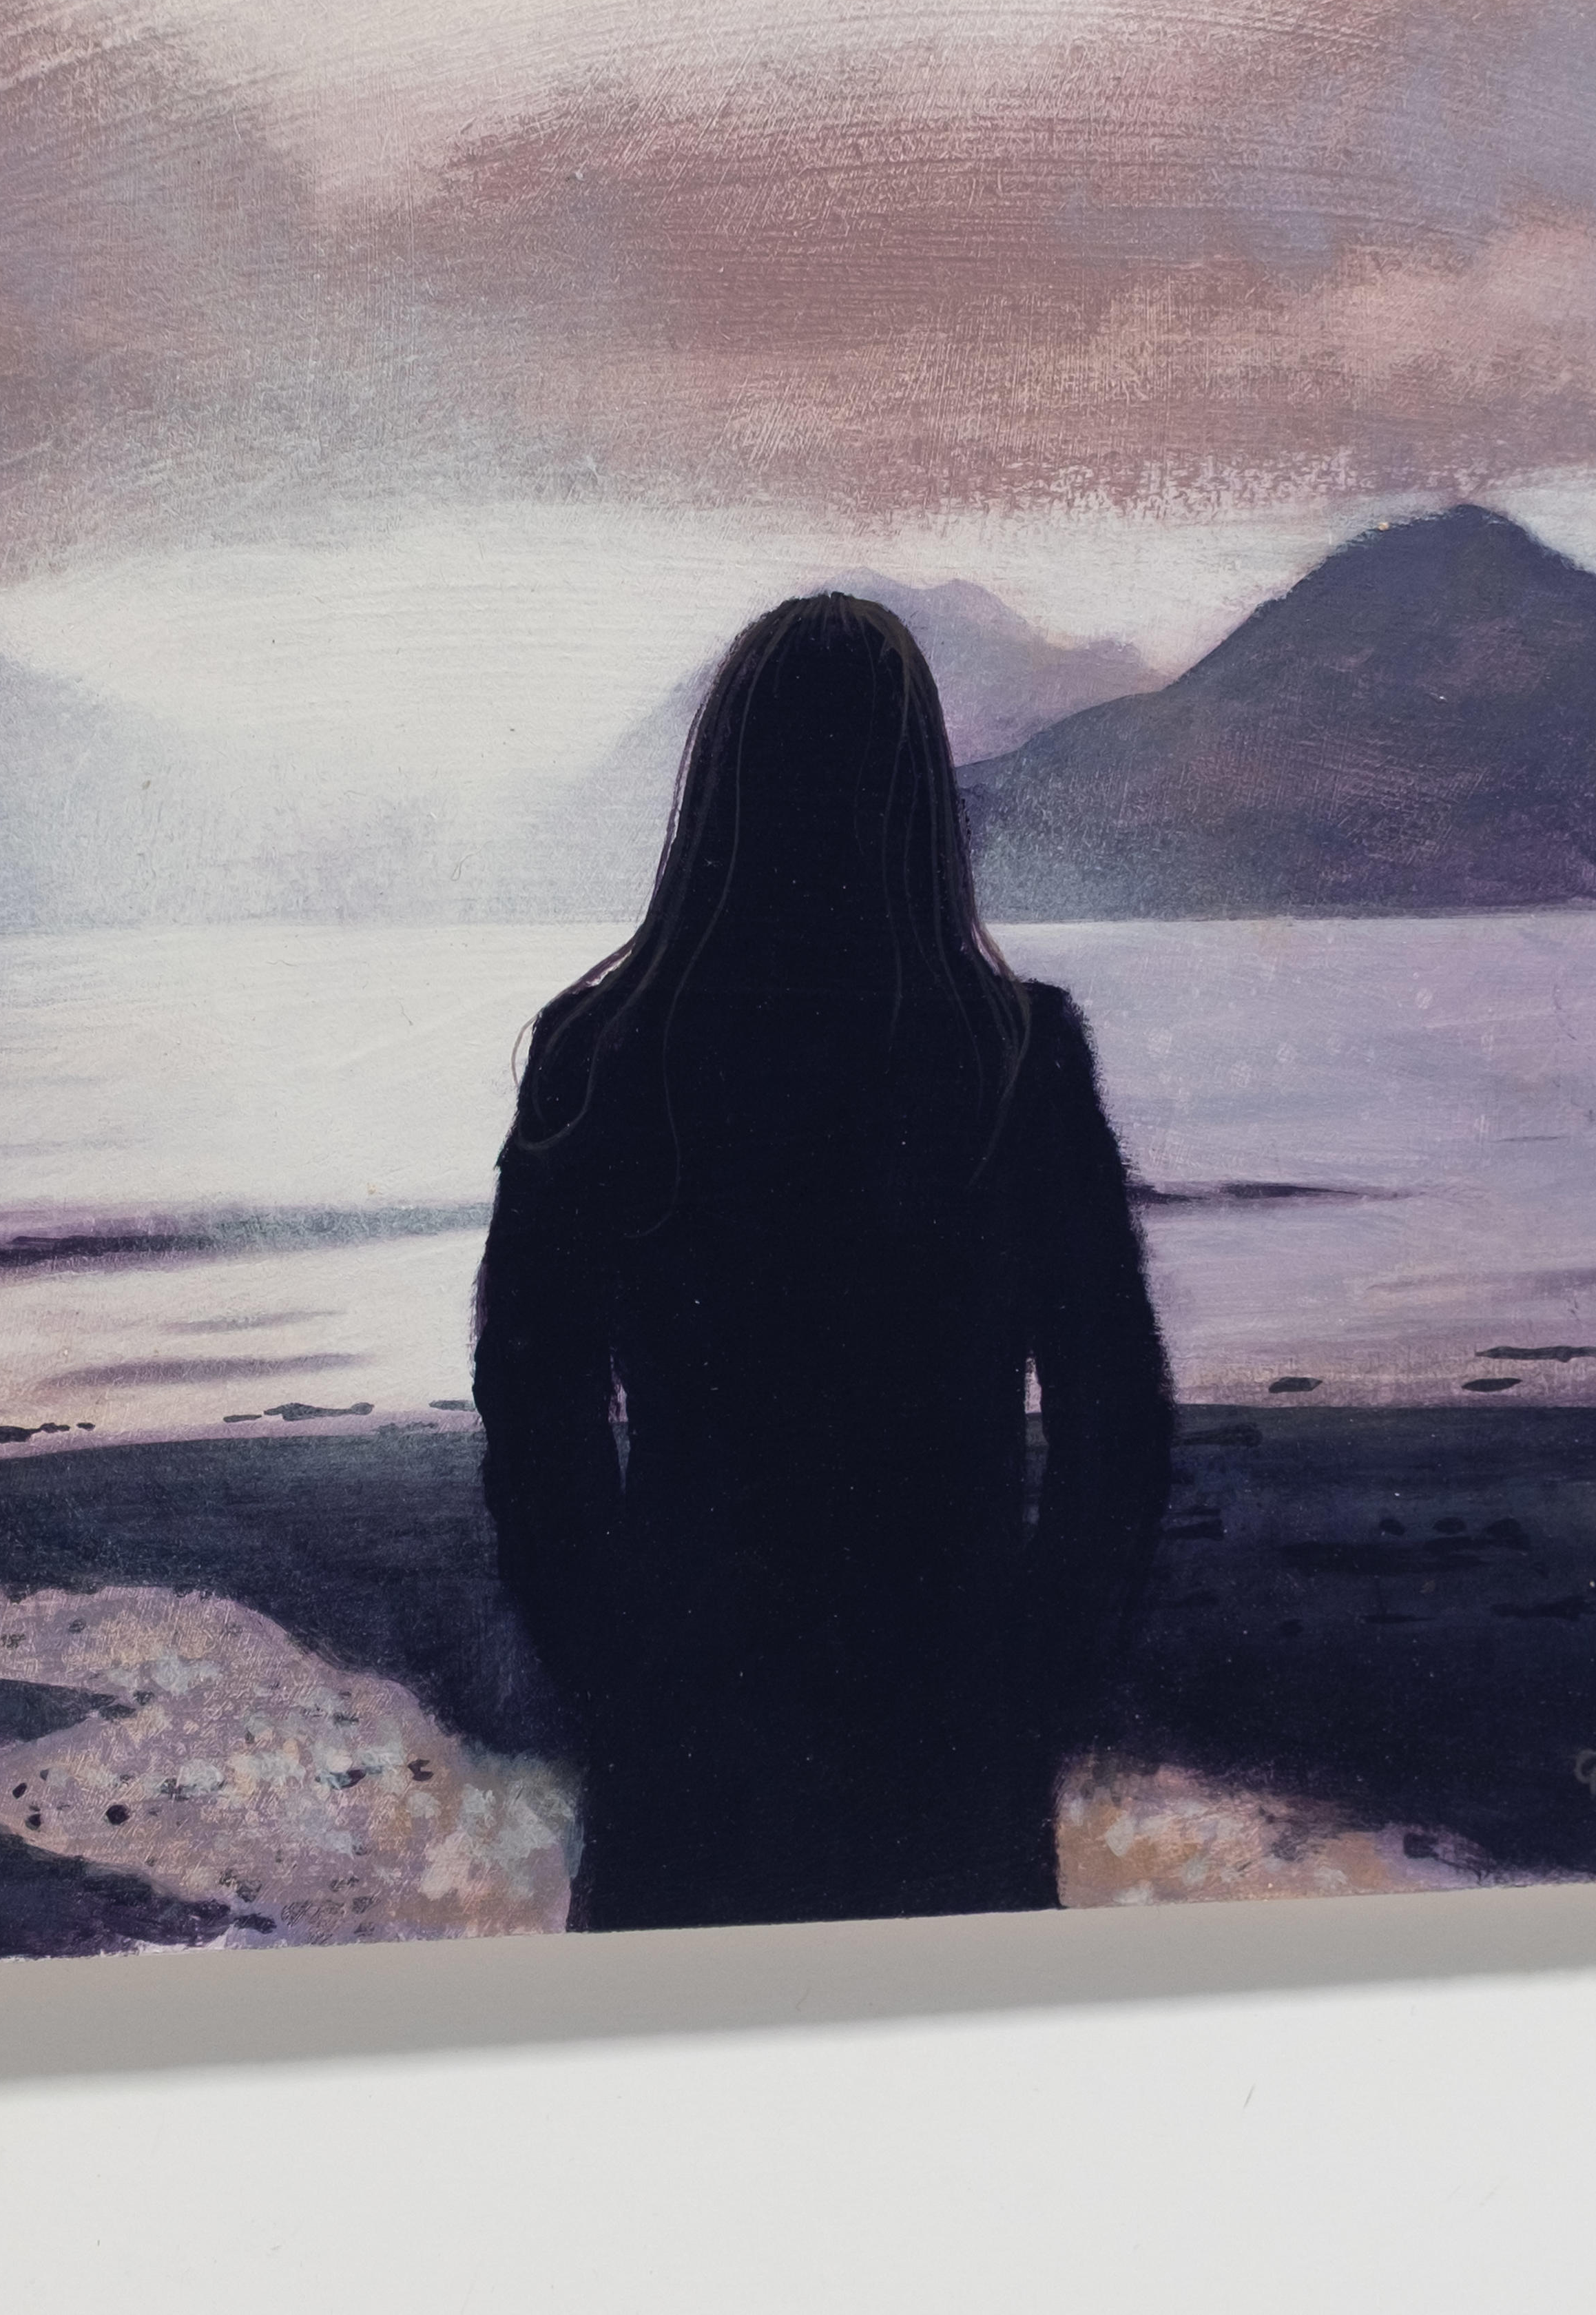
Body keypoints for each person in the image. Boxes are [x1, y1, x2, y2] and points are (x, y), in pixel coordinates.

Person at [472, 593, 1172, 1931]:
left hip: (690, 1730)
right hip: (946, 1725)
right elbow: (1117, 1421)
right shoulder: (1015, 1057)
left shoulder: (602, 1056)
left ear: (719, 786)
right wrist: (1033, 1683)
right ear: (917, 797)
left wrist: (614, 1679)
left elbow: (531, 1412)